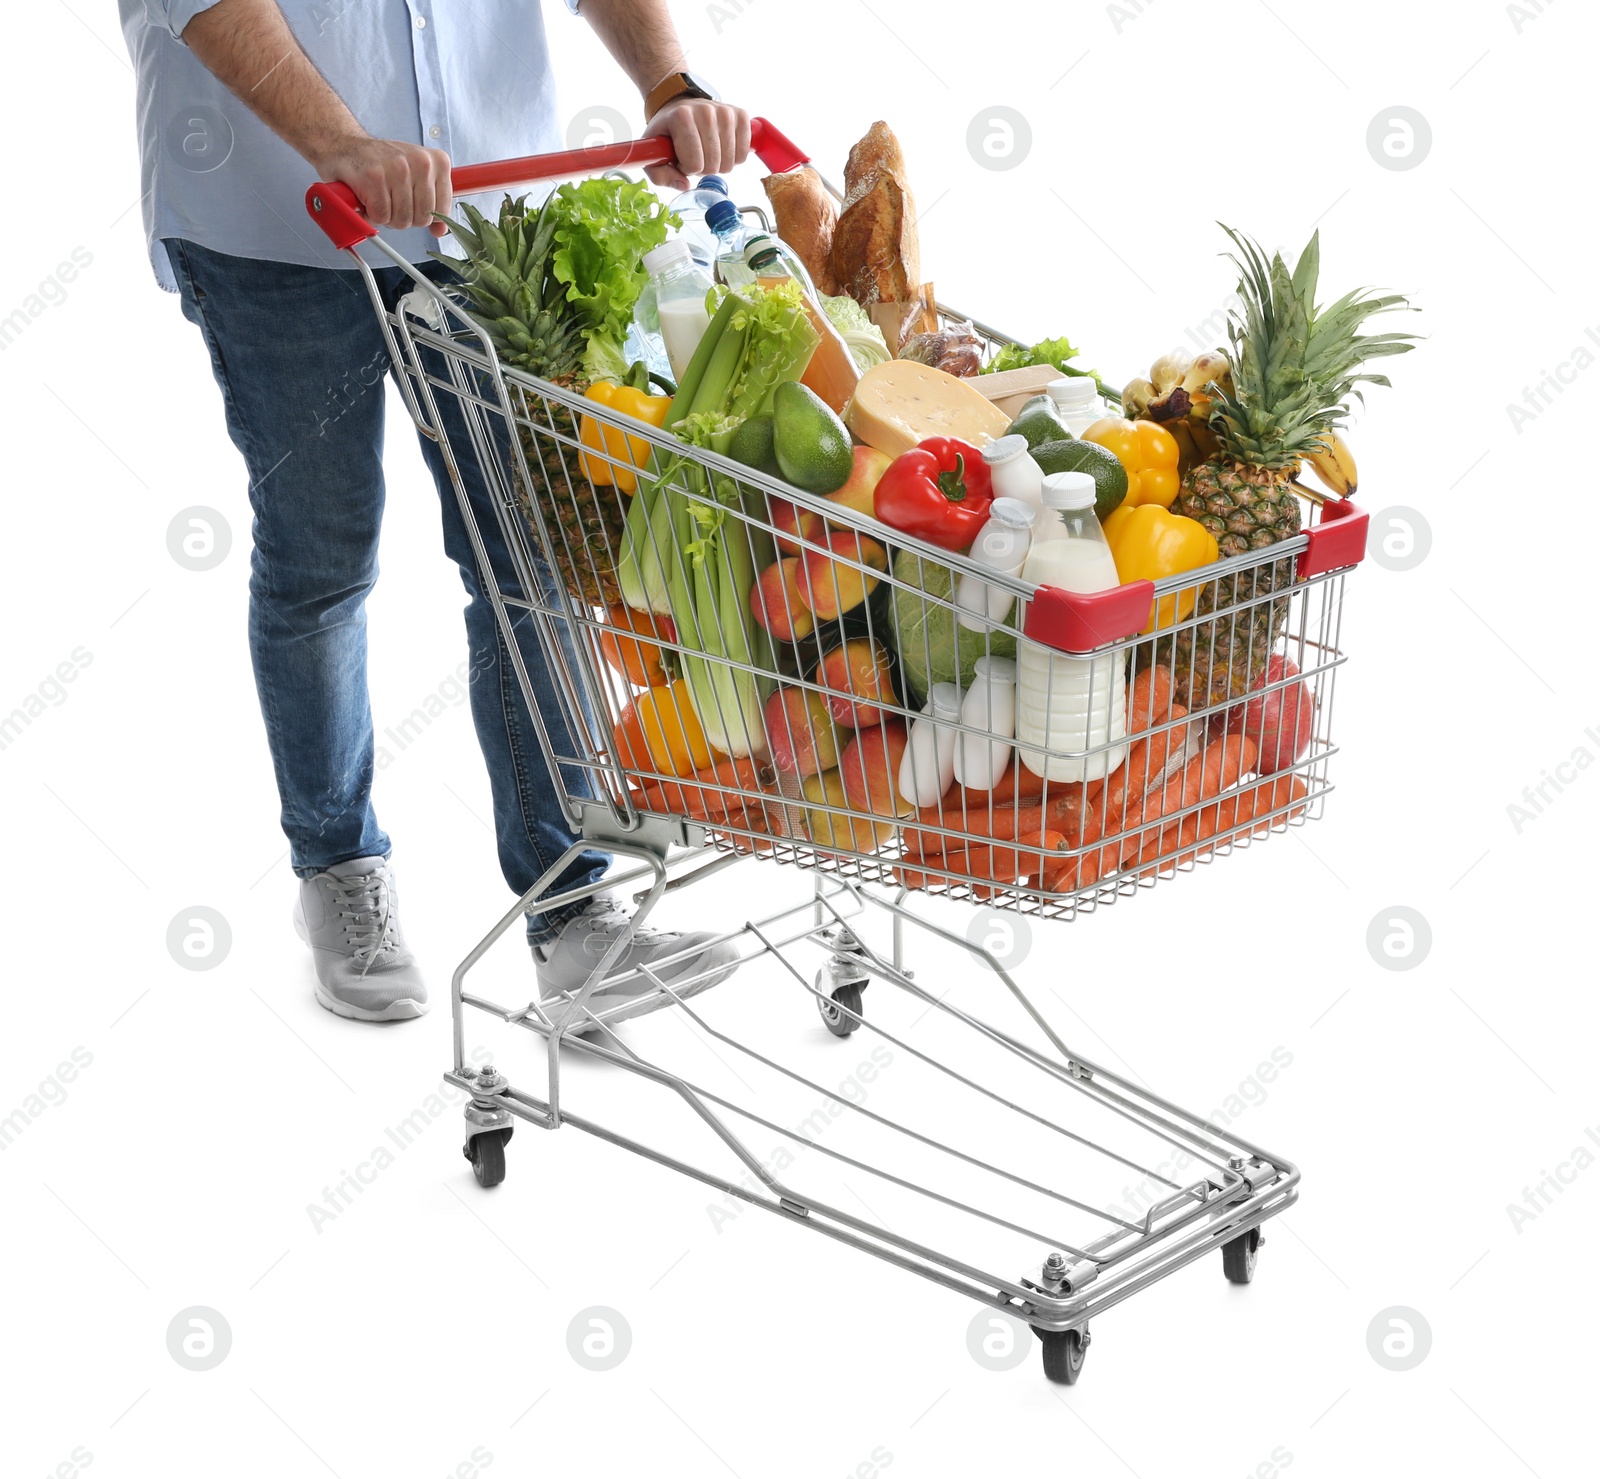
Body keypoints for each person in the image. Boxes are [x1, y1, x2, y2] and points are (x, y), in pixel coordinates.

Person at [122, 0, 749, 1024]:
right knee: (322, 558)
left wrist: (668, 80)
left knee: (530, 560)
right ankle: (338, 867)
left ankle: (573, 905)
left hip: (484, 211)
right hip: (274, 225)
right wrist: (342, 144)